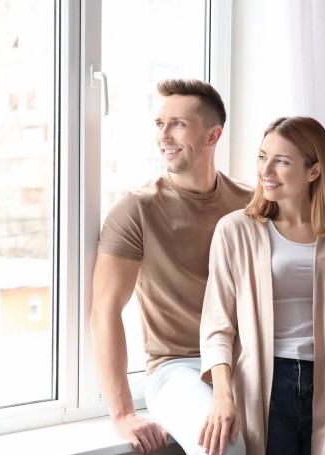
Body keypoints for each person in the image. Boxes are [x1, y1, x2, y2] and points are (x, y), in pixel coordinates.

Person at [90, 78, 252, 455]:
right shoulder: (137, 209)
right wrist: (123, 413)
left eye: (177, 124)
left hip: (244, 361)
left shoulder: (250, 204)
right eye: (159, 124)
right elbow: (104, 311)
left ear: (213, 136)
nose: (164, 135)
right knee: (224, 449)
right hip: (178, 368)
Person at [199, 116, 325, 455]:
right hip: (265, 384)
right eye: (263, 157)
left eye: (281, 161)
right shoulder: (235, 230)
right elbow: (217, 323)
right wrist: (223, 396)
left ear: (314, 171)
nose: (266, 171)